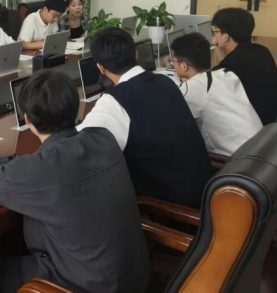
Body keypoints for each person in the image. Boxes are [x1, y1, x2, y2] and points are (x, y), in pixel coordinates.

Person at [0, 70, 150, 293]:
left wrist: (3, 163)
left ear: (27, 120)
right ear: (76, 109)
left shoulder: (42, 169)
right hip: (134, 282)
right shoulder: (102, 139)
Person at [77, 28, 212, 208]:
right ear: (136, 53)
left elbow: (77, 148)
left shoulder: (114, 102)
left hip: (171, 210)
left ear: (100, 67)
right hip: (205, 193)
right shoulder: (166, 81)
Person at [171, 33, 263, 157]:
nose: (173, 65)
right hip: (262, 146)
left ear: (184, 66)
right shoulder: (226, 74)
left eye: (173, 61)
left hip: (240, 161)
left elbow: (171, 116)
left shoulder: (194, 88)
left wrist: (185, 84)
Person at [210, 8, 277, 125]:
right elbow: (226, 63)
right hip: (275, 119)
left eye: (215, 31)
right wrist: (218, 47)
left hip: (258, 125)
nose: (214, 35)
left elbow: (212, 79)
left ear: (225, 36)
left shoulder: (234, 63)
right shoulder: (261, 50)